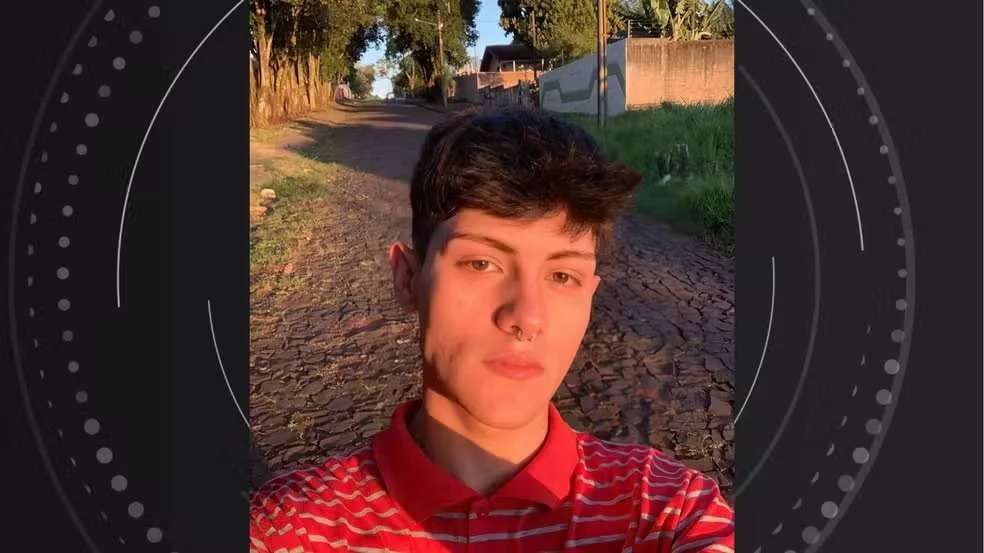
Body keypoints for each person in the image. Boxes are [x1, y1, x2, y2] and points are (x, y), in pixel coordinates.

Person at [249, 107, 734, 552]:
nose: (527, 316)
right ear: (408, 279)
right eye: (481, 263)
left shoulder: (668, 510)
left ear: (590, 294)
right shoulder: (290, 528)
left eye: (562, 276)